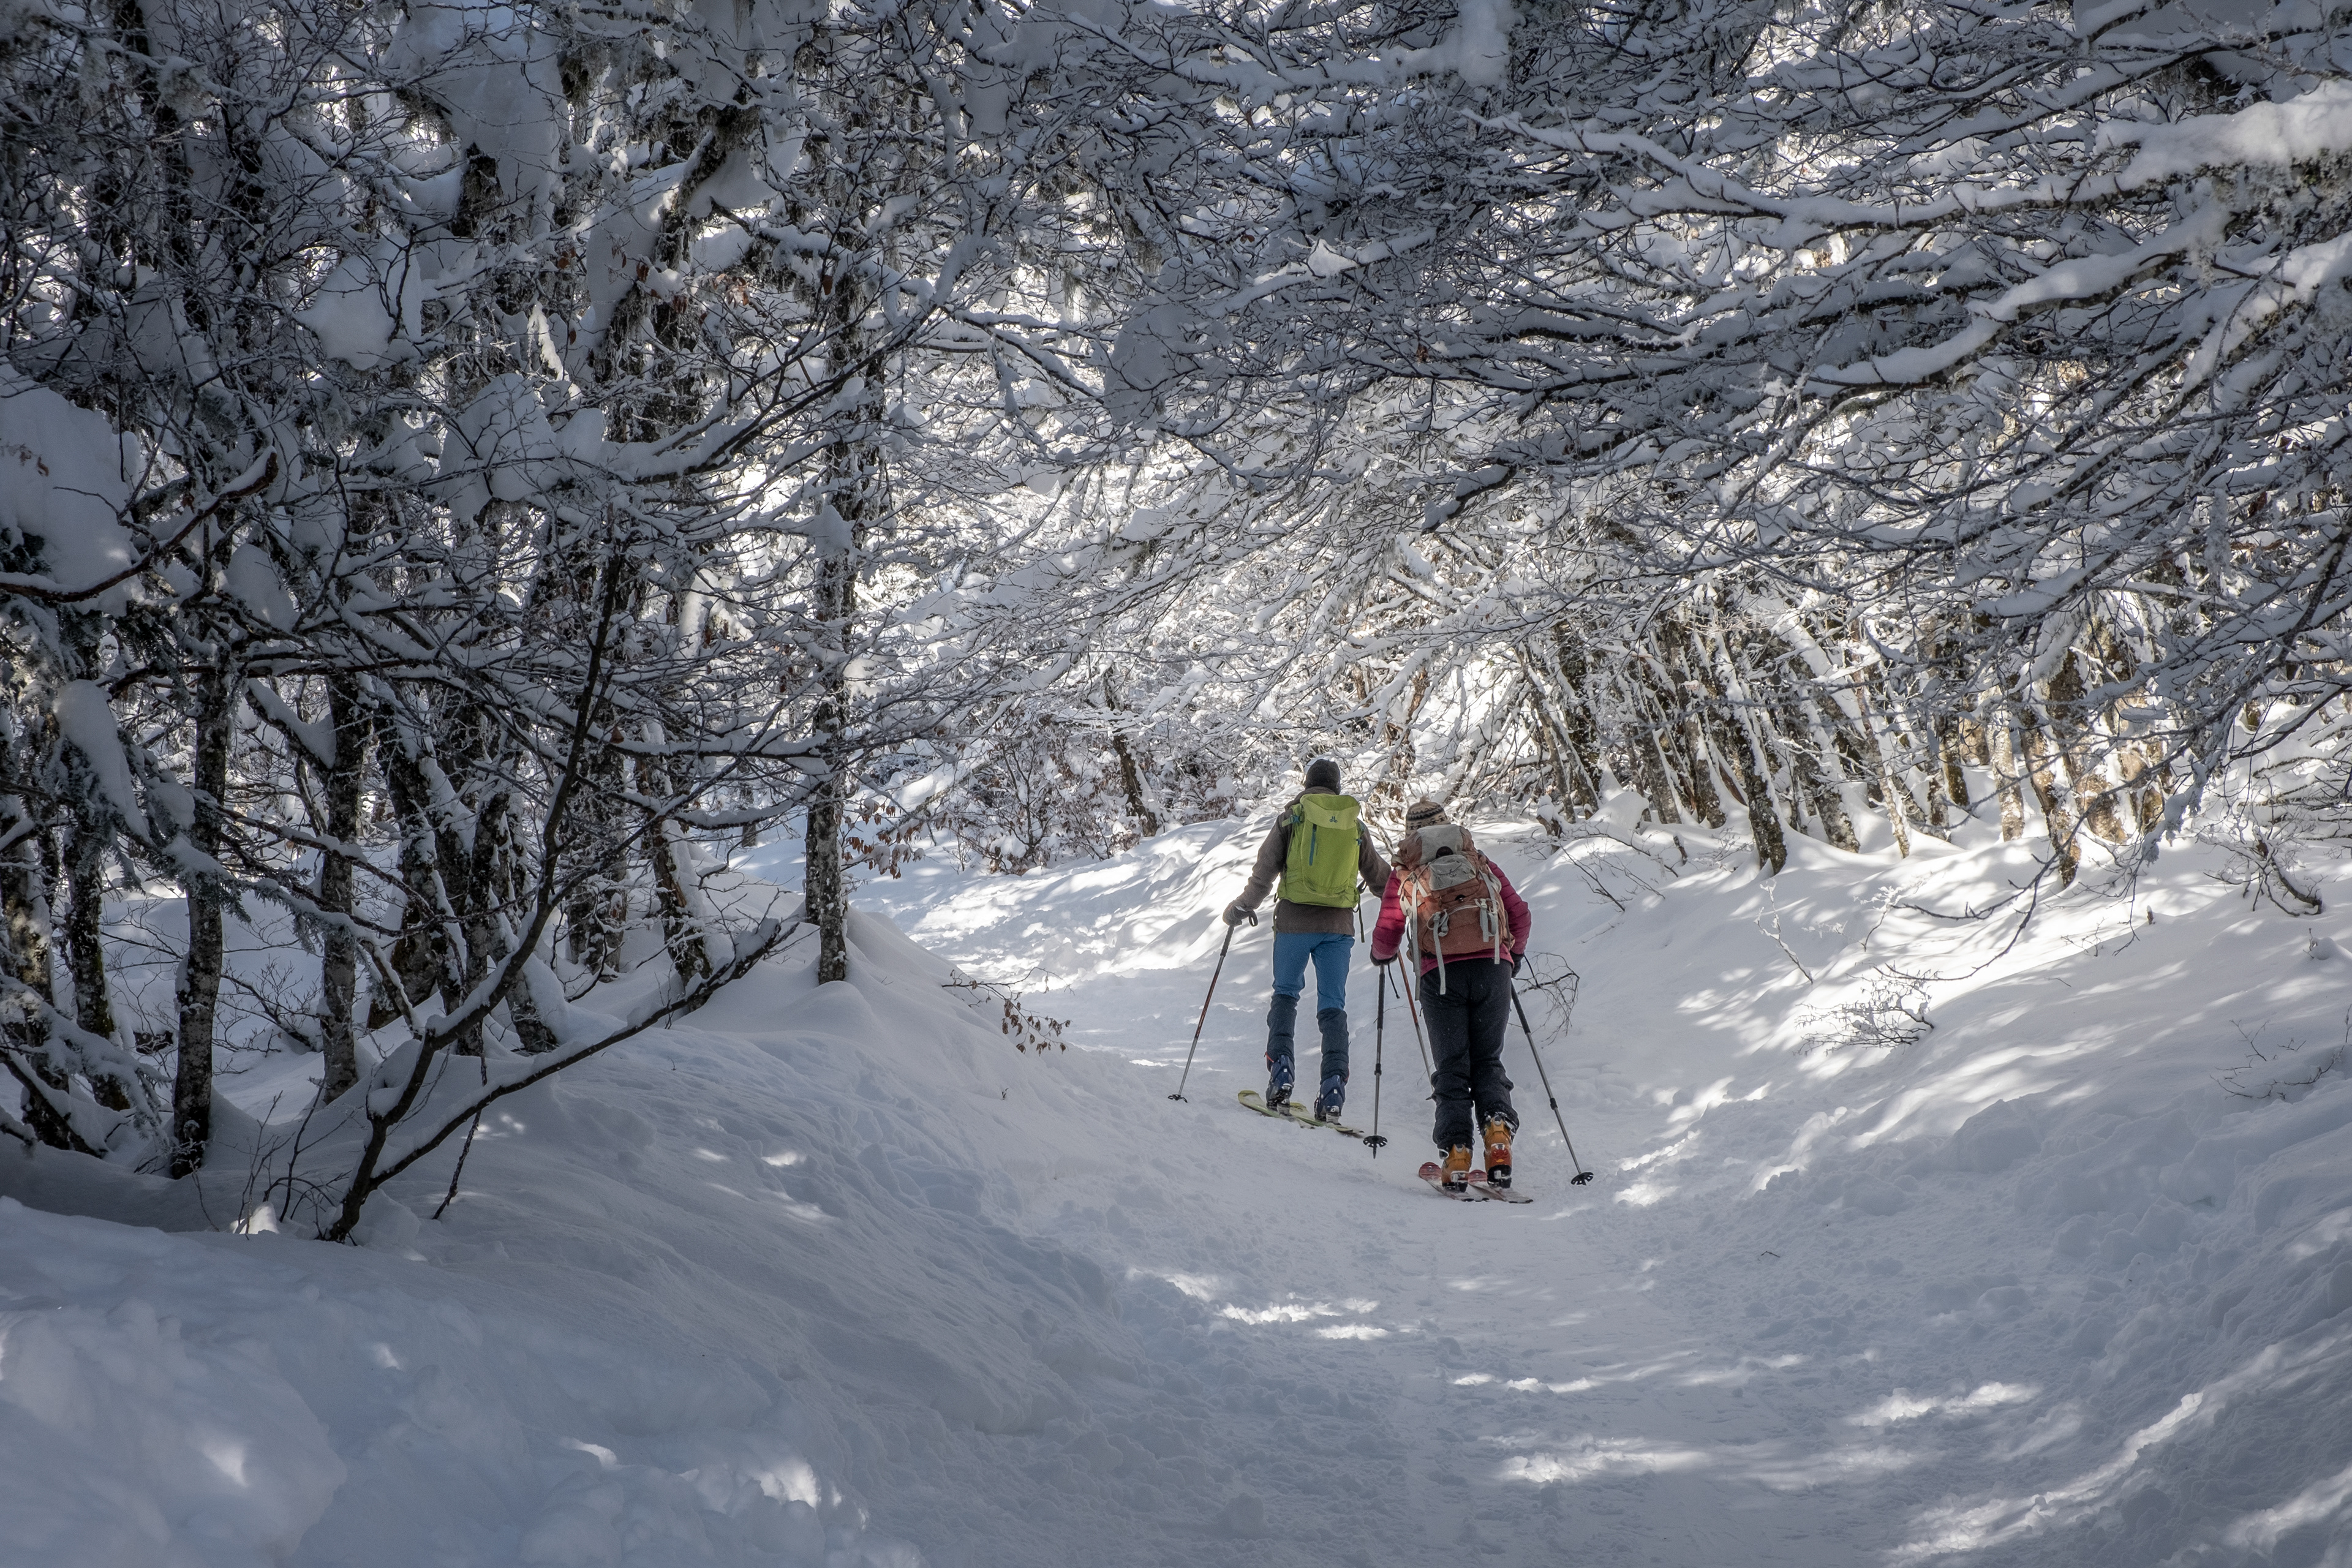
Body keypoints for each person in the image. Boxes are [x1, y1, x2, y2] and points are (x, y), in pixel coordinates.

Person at [1369, 799, 1531, 1191]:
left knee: (1453, 1067)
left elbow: (1389, 927)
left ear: (1412, 836)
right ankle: (1497, 1137)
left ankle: (1457, 1154)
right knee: (1487, 1059)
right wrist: (1513, 956)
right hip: (1494, 969)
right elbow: (1520, 914)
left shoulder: (1406, 870)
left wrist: (1381, 955)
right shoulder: (1479, 861)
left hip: (1440, 976)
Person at [1223, 758, 1391, 1119]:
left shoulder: (1291, 818)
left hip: (1294, 924)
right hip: (1338, 929)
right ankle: (1333, 1088)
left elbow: (1263, 874)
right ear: (1337, 787)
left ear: (1307, 784)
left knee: (1285, 994)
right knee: (1333, 1005)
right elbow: (1380, 878)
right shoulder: (1355, 826)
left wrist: (1241, 907)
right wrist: (1409, 904)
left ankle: (1281, 1070)